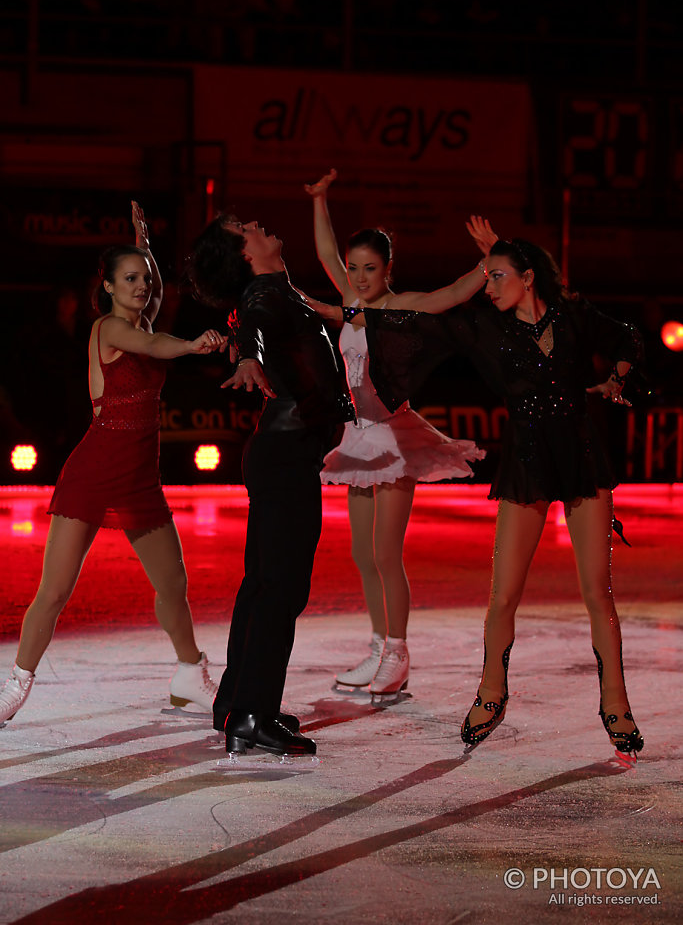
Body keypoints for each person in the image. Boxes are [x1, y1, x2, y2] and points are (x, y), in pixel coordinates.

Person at [317, 233, 645, 758]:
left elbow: (627, 337)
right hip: (526, 464)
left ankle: (616, 704)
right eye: (486, 276)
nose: (487, 287)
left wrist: (616, 379)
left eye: (496, 276)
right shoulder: (484, 328)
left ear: (528, 277)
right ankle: (492, 694)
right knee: (503, 595)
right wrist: (346, 311)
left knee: (596, 593)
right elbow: (419, 317)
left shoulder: (573, 315)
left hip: (584, 462)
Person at [0, 203, 224, 727]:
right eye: (131, 279)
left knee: (173, 585)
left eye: (146, 279)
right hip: (95, 469)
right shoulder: (108, 330)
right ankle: (16, 685)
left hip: (141, 477)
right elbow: (153, 342)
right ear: (107, 288)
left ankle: (190, 674)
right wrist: (192, 344)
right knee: (54, 592)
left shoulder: (145, 315)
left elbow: (158, 308)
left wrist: (146, 245)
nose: (142, 286)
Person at [303, 169, 488, 702]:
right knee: (363, 554)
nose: (358, 277)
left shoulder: (400, 306)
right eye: (354, 268)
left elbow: (453, 293)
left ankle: (400, 654)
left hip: (394, 435)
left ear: (388, 271)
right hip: (359, 435)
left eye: (370, 269)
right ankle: (379, 645)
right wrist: (320, 201)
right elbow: (324, 257)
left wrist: (490, 260)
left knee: (387, 553)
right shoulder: (353, 304)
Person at [188, 215, 355, 757]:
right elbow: (255, 326)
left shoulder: (276, 289)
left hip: (280, 454)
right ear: (244, 254)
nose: (258, 223)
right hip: (286, 457)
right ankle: (252, 714)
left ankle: (238, 702)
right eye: (245, 228)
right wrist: (247, 357)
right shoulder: (263, 293)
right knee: (280, 588)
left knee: (263, 585)